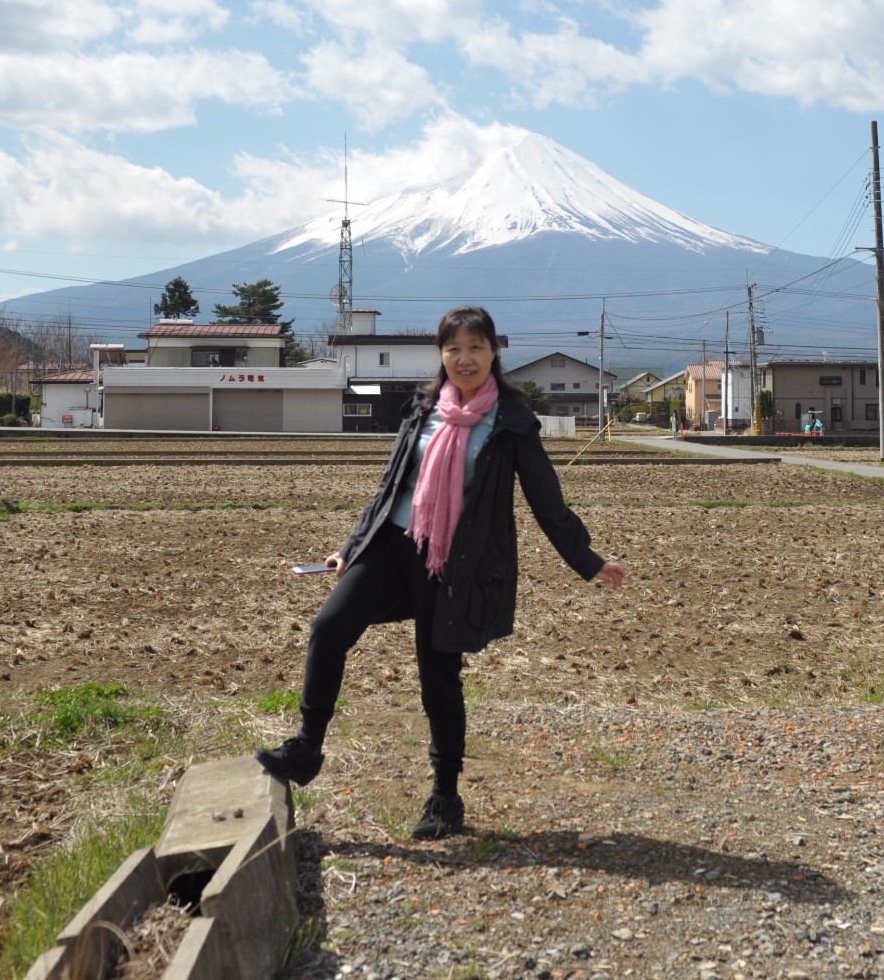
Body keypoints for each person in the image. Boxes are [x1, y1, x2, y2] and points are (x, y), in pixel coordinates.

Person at [257, 306, 627, 839]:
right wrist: (348, 548)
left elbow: (548, 502)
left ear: (494, 352)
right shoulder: (424, 408)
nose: (464, 358)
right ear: (442, 355)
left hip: (454, 562)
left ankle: (445, 798)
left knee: (437, 678)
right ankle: (307, 748)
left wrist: (589, 562)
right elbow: (389, 489)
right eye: (453, 348)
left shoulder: (512, 423)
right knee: (329, 628)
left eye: (475, 347)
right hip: (392, 546)